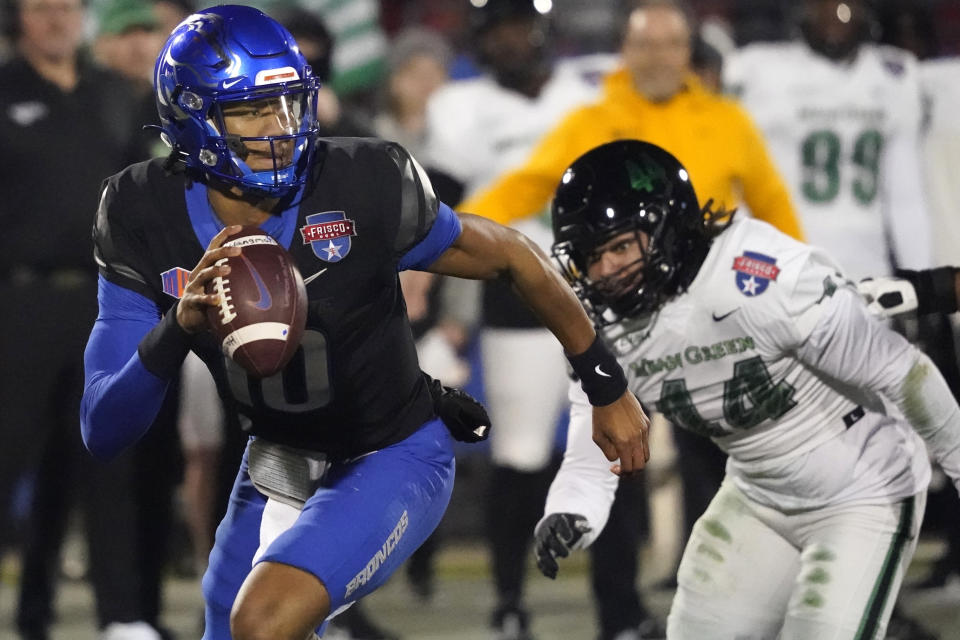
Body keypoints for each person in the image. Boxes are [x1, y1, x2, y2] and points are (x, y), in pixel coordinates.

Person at [78, 7, 650, 640]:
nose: (282, 128)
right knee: (238, 626)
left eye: (290, 103)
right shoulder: (141, 211)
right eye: (253, 110)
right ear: (192, 119)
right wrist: (178, 328)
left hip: (392, 451)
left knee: (264, 620)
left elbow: (514, 257)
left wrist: (607, 384)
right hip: (277, 461)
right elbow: (104, 427)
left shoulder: (360, 180)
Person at [455, 2, 803, 633]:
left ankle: (745, 598)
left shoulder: (727, 120)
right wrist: (439, 237)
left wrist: (799, 288)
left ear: (687, 50)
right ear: (626, 51)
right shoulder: (593, 120)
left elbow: (773, 207)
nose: (658, 58)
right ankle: (619, 612)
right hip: (627, 320)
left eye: (671, 44)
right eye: (645, 45)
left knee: (727, 462)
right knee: (614, 451)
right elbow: (528, 183)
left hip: (720, 319)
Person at [532, 139, 960, 639]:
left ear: (669, 230)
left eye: (620, 247)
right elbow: (601, 433)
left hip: (862, 489)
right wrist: (573, 504)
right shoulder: (600, 330)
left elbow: (905, 372)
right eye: (590, 256)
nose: (605, 272)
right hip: (758, 493)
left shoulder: (756, 277)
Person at [423, 2, 623, 637]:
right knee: (520, 458)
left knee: (618, 449)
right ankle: (509, 597)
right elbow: (440, 204)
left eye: (521, 25)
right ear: (482, 39)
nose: (513, 38)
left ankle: (620, 609)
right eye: (500, 28)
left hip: (596, 288)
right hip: (514, 299)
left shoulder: (587, 94)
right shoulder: (460, 106)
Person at [0, 0, 179, 638]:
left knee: (111, 459)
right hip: (18, 303)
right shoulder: (6, 88)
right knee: (8, 455)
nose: (55, 19)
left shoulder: (113, 95)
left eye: (66, 7)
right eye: (41, 9)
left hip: (106, 300)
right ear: (18, 19)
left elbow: (147, 192)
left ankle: (122, 617)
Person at [723, 0, 932, 282]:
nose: (835, 14)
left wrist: (922, 279)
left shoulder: (894, 74)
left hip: (867, 268)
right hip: (784, 263)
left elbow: (906, 197)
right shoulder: (759, 69)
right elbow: (737, 179)